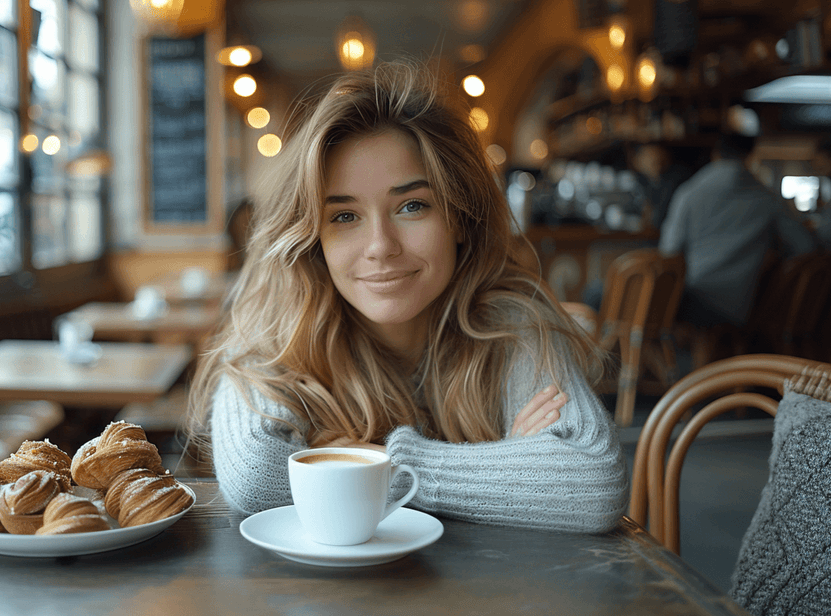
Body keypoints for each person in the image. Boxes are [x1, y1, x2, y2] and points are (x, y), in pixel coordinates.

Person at [187, 61, 628, 534]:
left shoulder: (515, 323)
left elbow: (591, 482)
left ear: (458, 216)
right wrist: (507, 468)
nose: (381, 246)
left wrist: (368, 462)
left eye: (412, 206)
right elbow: (258, 477)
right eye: (344, 217)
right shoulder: (274, 335)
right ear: (313, 236)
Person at [659, 132, 817, 329]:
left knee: (646, 302)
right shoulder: (767, 198)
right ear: (749, 156)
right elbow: (805, 246)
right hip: (746, 303)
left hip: (696, 297)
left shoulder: (689, 193)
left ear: (715, 155)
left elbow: (669, 250)